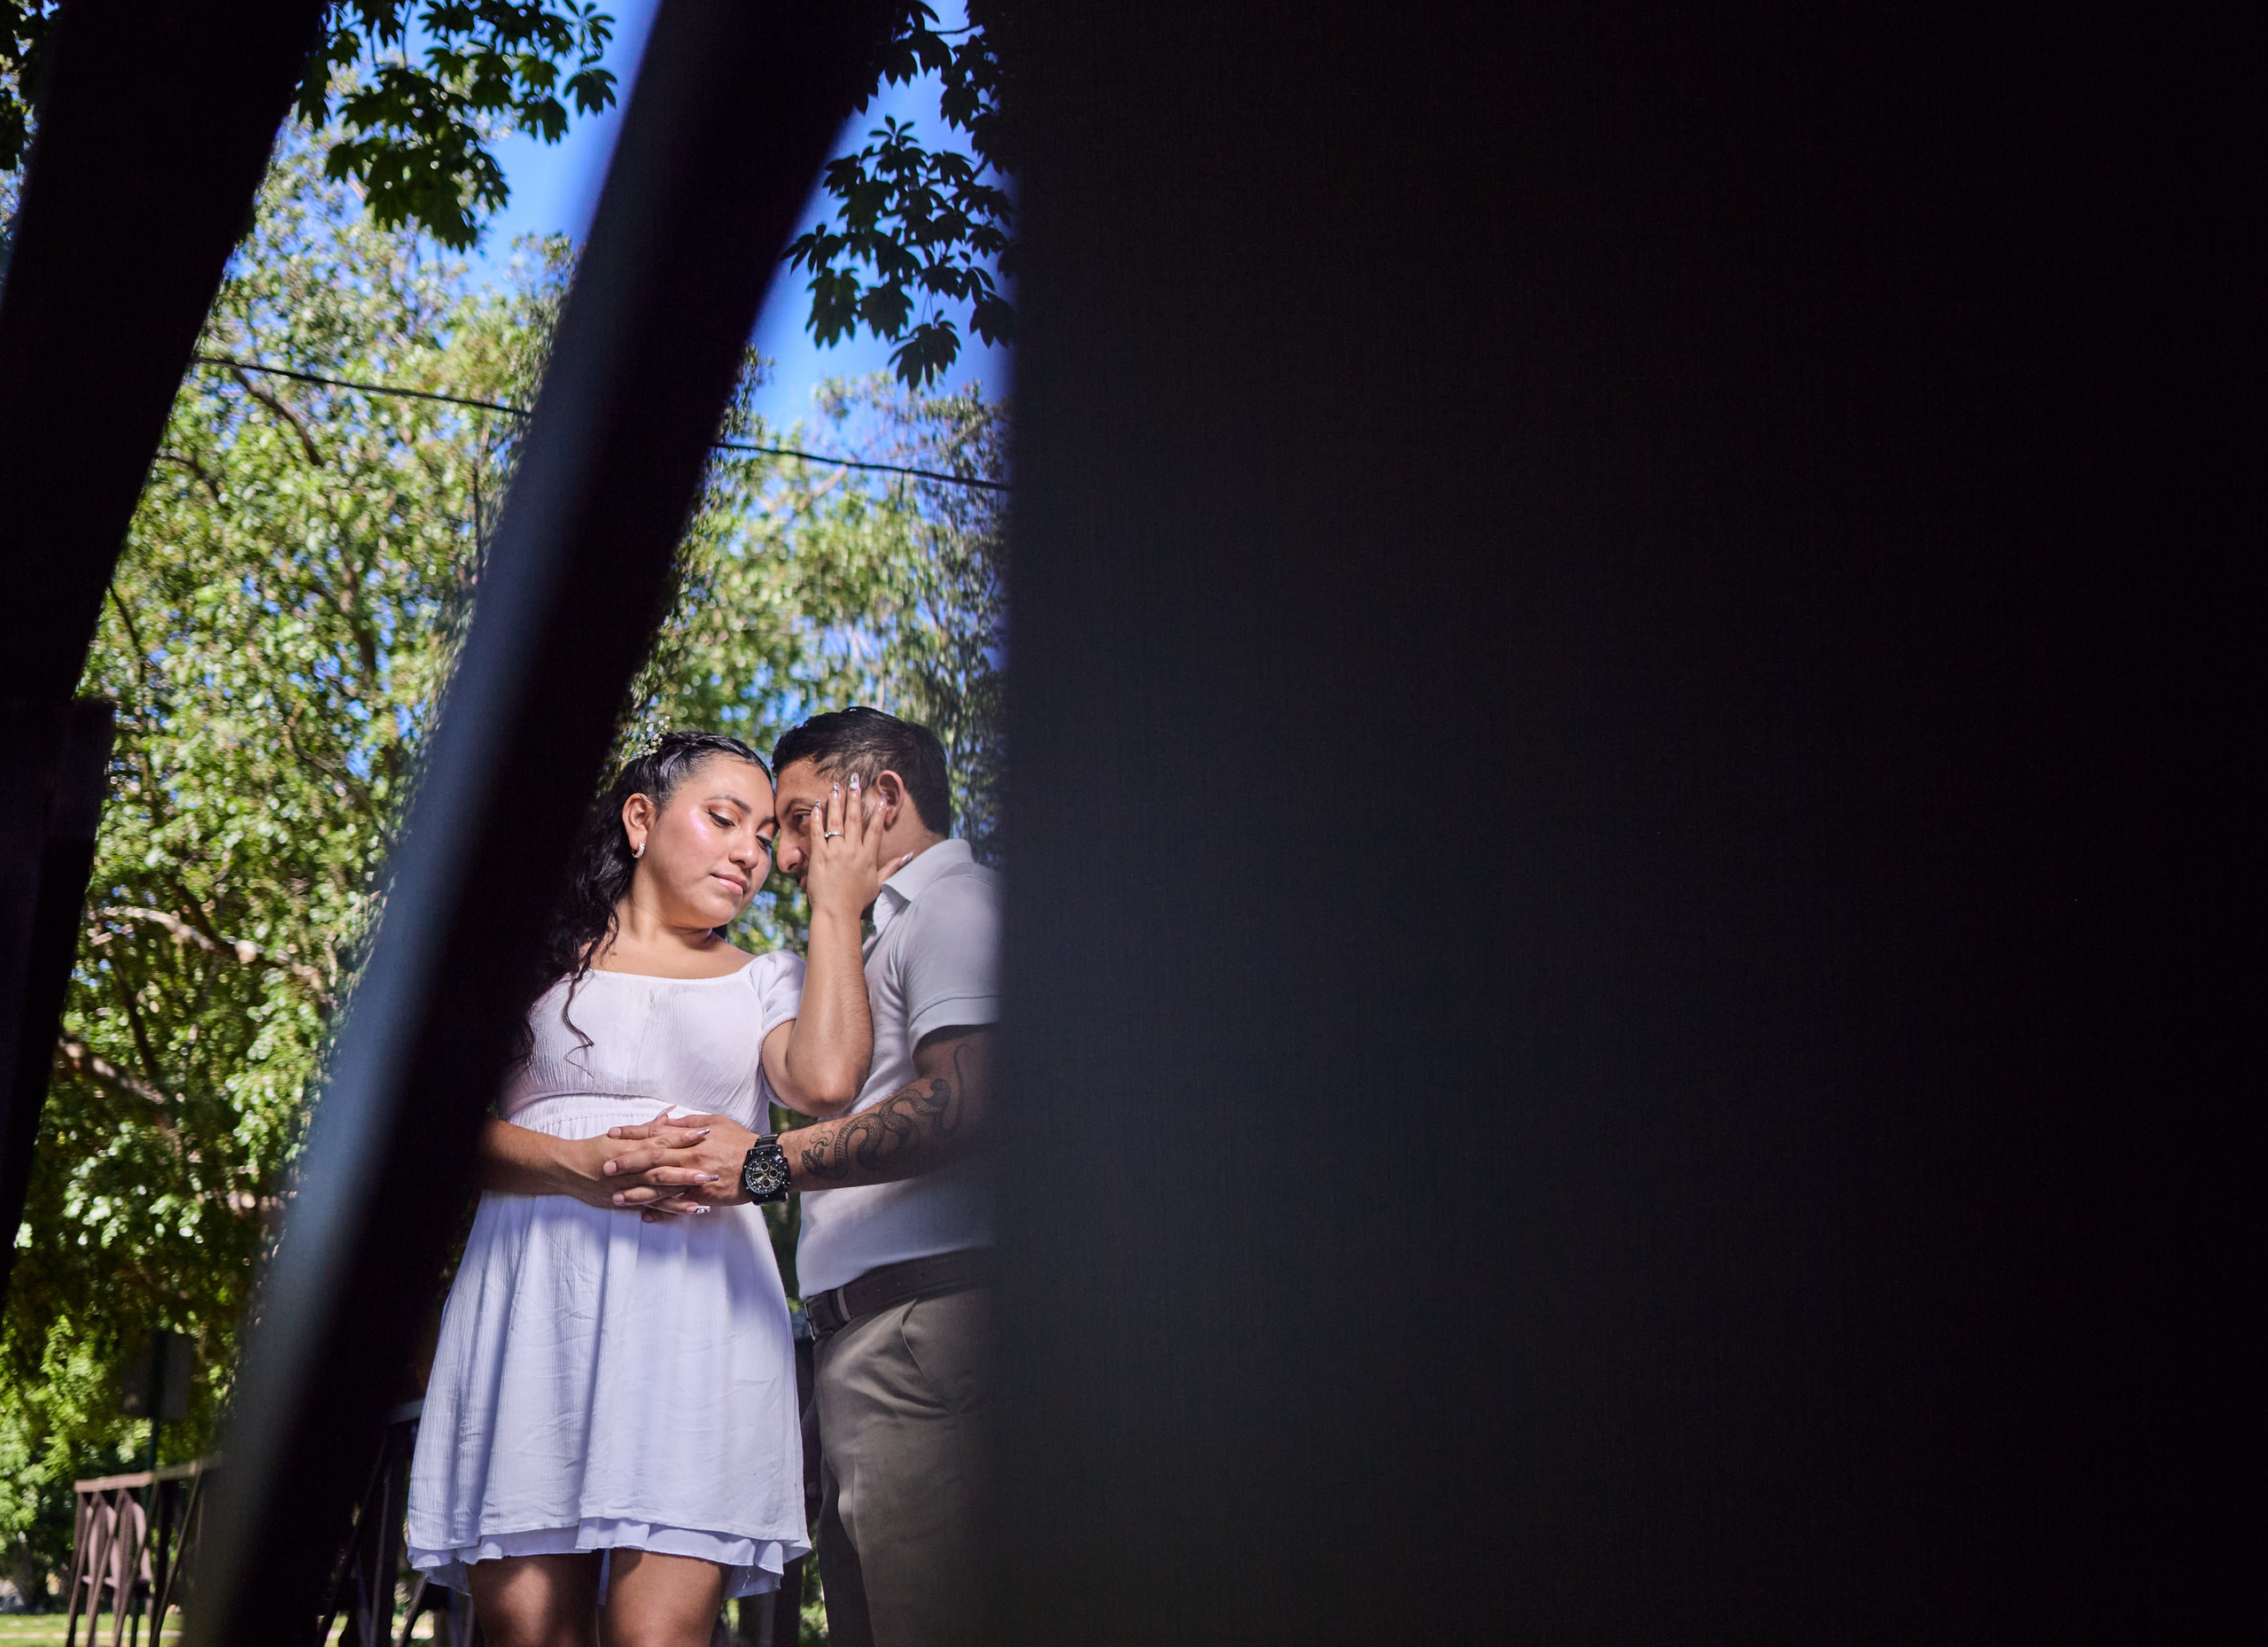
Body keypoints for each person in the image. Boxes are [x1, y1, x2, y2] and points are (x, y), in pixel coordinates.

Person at [405, 731, 900, 1647]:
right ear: (641, 818)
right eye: (722, 819)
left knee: (659, 1637)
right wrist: (576, 1163)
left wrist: (835, 907)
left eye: (764, 835)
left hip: (696, 1321)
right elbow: (432, 1133)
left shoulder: (766, 977)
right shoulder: (534, 963)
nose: (750, 851)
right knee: (525, 1635)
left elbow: (826, 1082)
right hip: (534, 1309)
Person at [604, 708, 998, 1647]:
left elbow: (972, 1095)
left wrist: (765, 1162)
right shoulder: (883, 935)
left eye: (794, 817)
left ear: (885, 796)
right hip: (871, 1342)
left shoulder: (955, 905)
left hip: (925, 1330)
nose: (778, 855)